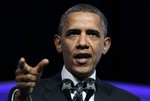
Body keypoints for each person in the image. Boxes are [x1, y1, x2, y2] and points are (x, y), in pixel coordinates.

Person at [8, 4, 141, 101]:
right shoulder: (27, 95)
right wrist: (22, 98)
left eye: (92, 34)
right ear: (59, 43)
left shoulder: (127, 99)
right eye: (73, 33)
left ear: (105, 45)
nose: (82, 43)